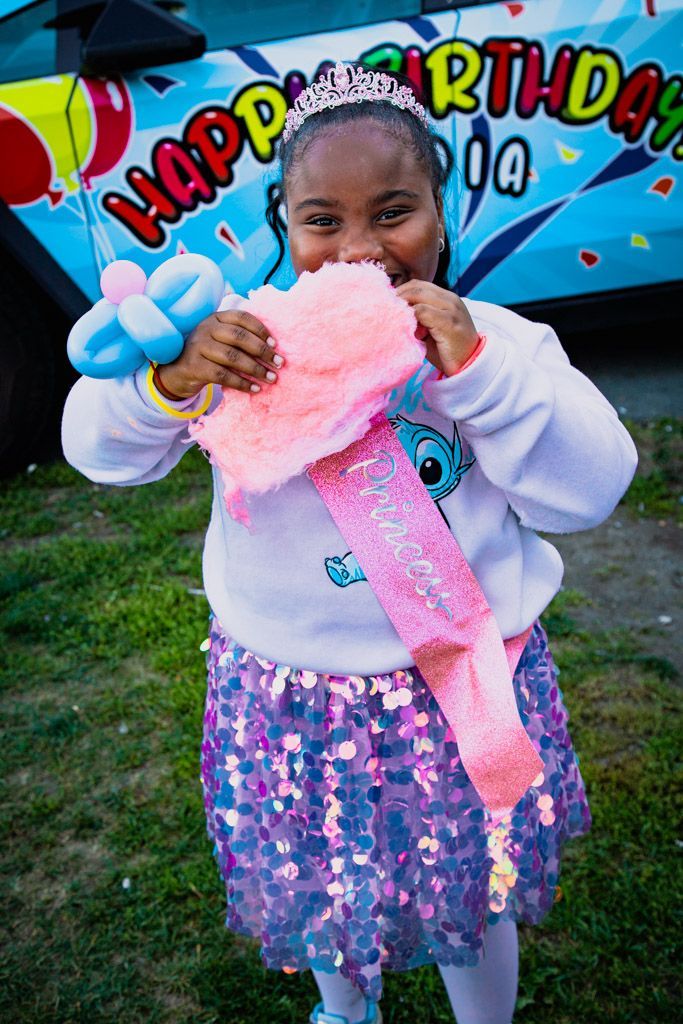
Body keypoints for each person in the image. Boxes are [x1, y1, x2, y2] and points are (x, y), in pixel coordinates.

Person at [62, 62, 637, 1024]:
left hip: (459, 685)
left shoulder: (493, 342)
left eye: (394, 212)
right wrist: (163, 385)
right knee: (321, 874)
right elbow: (97, 451)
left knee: (470, 882)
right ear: (284, 226)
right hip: (296, 696)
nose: (361, 251)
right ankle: (345, 1009)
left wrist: (480, 375)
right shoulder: (239, 348)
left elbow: (591, 488)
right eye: (322, 221)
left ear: (442, 213)